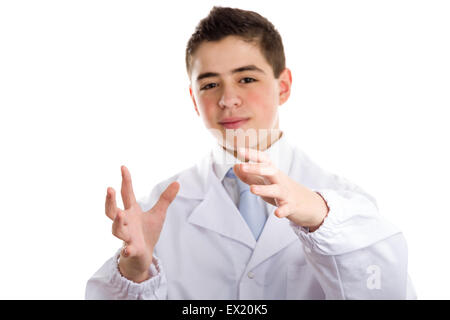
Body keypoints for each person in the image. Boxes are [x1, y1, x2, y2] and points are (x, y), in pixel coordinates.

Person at [85, 6, 416, 299]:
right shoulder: (156, 211)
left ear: (283, 86)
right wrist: (136, 273)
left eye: (246, 78)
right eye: (210, 85)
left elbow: (387, 290)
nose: (228, 99)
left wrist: (318, 216)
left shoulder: (345, 203)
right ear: (192, 98)